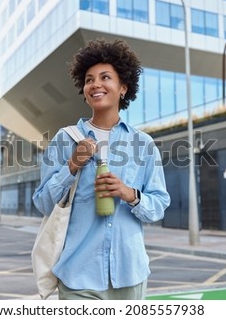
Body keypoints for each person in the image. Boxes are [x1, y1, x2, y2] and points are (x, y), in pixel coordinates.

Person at [32, 38, 170, 300]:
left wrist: (130, 194)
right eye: (89, 79)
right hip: (78, 275)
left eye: (105, 77)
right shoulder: (65, 139)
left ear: (123, 88)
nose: (95, 84)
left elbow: (159, 205)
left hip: (130, 274)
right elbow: (42, 202)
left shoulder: (143, 143)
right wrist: (72, 165)